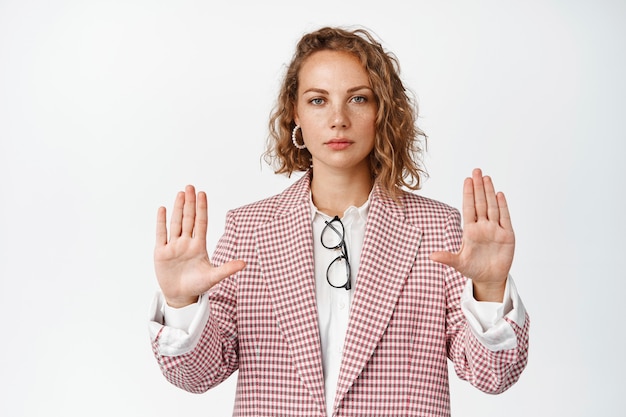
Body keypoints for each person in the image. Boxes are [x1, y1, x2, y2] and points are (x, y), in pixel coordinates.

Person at [148, 26, 529, 417]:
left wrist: (490, 289)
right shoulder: (250, 229)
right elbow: (197, 376)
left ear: (382, 110)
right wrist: (181, 304)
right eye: (318, 100)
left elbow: (493, 376)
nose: (338, 119)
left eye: (358, 99)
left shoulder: (437, 229)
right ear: (295, 112)